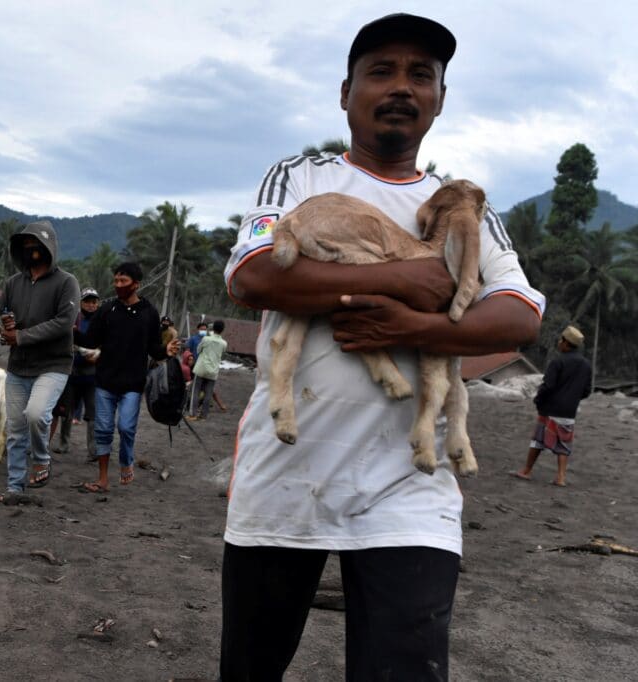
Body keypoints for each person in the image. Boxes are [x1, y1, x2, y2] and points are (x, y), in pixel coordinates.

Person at [219, 14, 545, 681]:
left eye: (420, 75)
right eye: (381, 71)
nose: (401, 86)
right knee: (250, 670)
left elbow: (518, 314)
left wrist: (414, 329)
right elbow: (252, 276)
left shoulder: (461, 206)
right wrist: (407, 277)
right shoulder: (298, 179)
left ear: (440, 99)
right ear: (346, 93)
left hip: (411, 488)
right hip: (284, 481)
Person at [0, 221, 80, 503]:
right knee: (15, 430)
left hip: (53, 364)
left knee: (37, 414)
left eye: (37, 246)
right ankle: (15, 487)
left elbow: (64, 322)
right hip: (18, 367)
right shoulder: (12, 283)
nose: (31, 251)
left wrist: (22, 336)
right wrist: (3, 325)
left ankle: (42, 458)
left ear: (49, 248)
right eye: (26, 246)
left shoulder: (67, 282)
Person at [76, 263, 181, 493]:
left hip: (133, 384)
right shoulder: (107, 310)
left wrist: (167, 351)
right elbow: (90, 341)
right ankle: (103, 479)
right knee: (103, 430)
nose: (118, 286)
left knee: (125, 427)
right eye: (115, 281)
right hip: (105, 381)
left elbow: (154, 349)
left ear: (136, 284)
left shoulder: (149, 313)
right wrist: (69, 330)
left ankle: (126, 461)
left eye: (123, 282)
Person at [514, 325, 592, 487]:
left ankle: (526, 471)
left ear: (565, 343)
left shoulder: (558, 362)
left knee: (538, 440)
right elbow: (586, 391)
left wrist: (538, 400)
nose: (558, 342)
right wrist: (573, 399)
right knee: (564, 443)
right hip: (569, 412)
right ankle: (561, 477)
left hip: (550, 409)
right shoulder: (586, 365)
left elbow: (548, 386)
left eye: (561, 340)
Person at [51, 287, 101, 460]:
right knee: (66, 412)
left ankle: (93, 451)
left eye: (93, 301)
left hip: (93, 375)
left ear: (97, 304)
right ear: (81, 303)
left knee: (92, 414)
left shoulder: (101, 322)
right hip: (72, 373)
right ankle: (64, 444)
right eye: (87, 301)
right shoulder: (74, 319)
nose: (90, 304)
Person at [187, 319, 227, 420]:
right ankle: (203, 415)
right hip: (213, 371)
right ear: (222, 330)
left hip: (201, 369)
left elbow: (198, 350)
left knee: (195, 391)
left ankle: (193, 414)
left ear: (212, 329)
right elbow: (222, 354)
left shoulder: (206, 339)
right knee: (208, 394)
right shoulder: (224, 343)